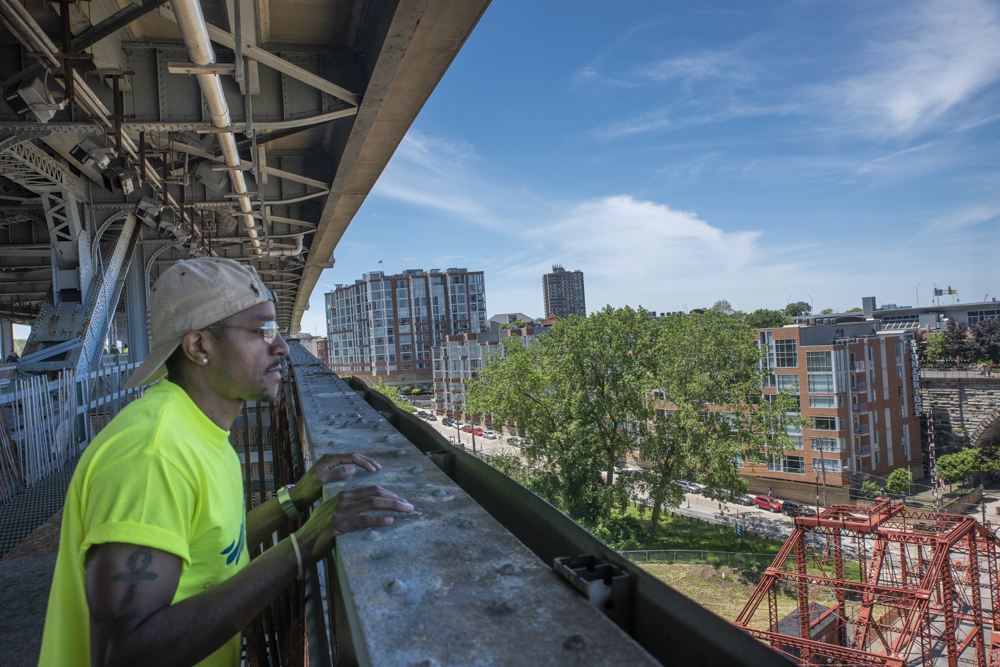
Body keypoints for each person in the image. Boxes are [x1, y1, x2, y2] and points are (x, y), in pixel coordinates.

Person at [39, 258, 413, 667]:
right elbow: (126, 653)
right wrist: (302, 546)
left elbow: (214, 550)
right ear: (199, 346)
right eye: (260, 331)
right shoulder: (153, 454)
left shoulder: (199, 428)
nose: (282, 346)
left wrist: (295, 499)